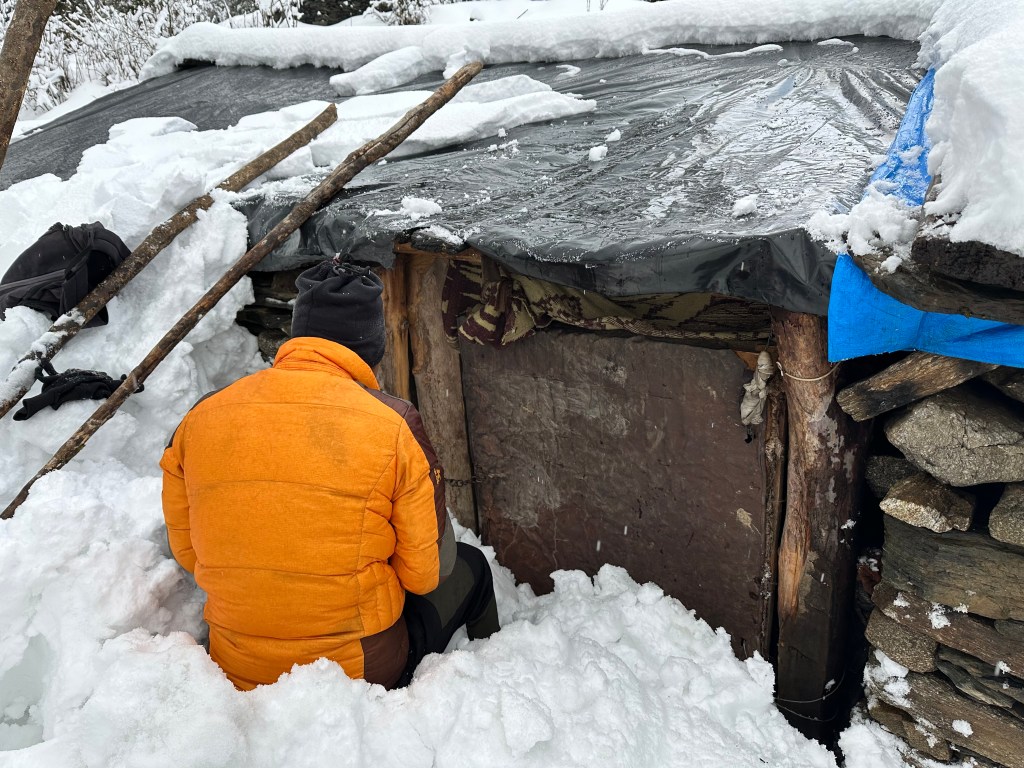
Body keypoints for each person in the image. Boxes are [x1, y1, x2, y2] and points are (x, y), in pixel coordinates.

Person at [159, 259, 499, 690]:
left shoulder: (202, 415)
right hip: (352, 675)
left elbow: (188, 554)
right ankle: (492, 668)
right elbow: (427, 573)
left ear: (297, 335)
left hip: (235, 665)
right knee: (471, 566)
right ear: (371, 346)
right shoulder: (393, 423)